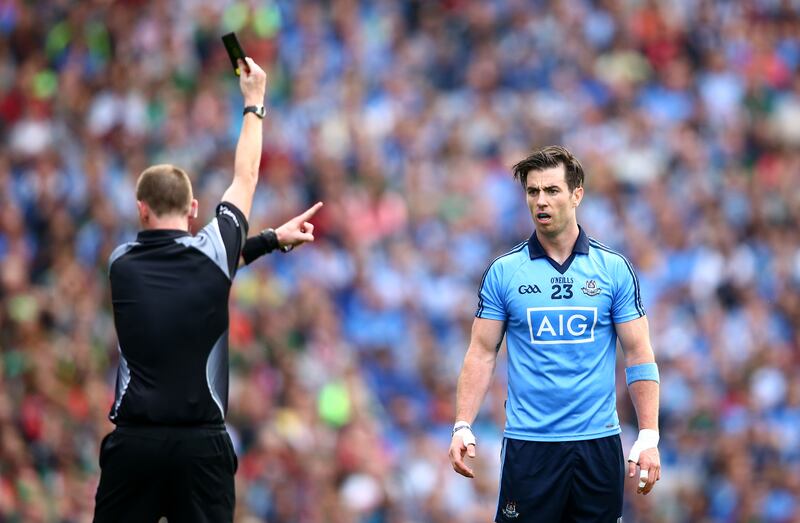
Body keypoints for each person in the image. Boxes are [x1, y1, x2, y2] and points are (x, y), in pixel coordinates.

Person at [93, 57, 322, 523]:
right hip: (201, 447)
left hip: (135, 445)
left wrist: (269, 240)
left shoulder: (120, 264)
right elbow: (246, 177)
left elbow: (194, 270)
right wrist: (253, 102)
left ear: (141, 210)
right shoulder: (214, 253)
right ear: (194, 207)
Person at [448, 145, 661, 522]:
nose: (541, 201)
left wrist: (648, 434)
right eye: (533, 192)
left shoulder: (612, 270)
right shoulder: (504, 272)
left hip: (597, 444)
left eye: (551, 190)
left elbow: (640, 354)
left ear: (576, 195)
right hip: (530, 446)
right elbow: (481, 353)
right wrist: (463, 423)